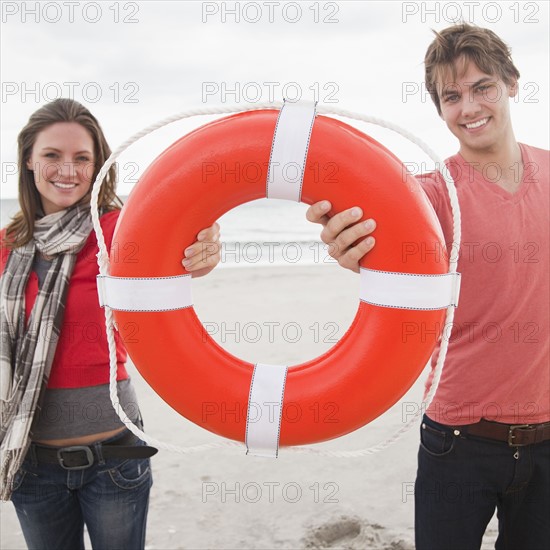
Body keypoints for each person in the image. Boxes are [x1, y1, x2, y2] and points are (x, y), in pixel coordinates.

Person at [306, 24, 549, 550]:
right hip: (458, 440)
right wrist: (349, 244)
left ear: (512, 82)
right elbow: (368, 227)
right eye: (451, 96)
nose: (469, 107)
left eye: (482, 86)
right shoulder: (432, 197)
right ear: (439, 108)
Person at [0, 98, 221, 549]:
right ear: (28, 159)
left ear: (98, 166)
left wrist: (207, 244)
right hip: (31, 464)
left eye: (83, 158)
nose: (68, 169)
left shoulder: (119, 231)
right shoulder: (6, 247)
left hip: (115, 461)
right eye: (52, 155)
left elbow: (182, 239)